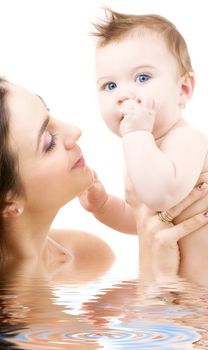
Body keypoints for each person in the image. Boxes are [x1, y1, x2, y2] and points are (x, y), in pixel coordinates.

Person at [0, 77, 208, 285]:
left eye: (48, 110)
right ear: (8, 203)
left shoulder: (87, 255)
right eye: (48, 141)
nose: (74, 130)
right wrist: (157, 270)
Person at [79, 8, 208, 284]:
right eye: (110, 85)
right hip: (174, 294)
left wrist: (136, 135)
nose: (124, 94)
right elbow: (143, 220)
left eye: (142, 78)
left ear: (183, 89)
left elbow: (160, 196)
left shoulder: (186, 139)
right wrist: (104, 206)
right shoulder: (142, 148)